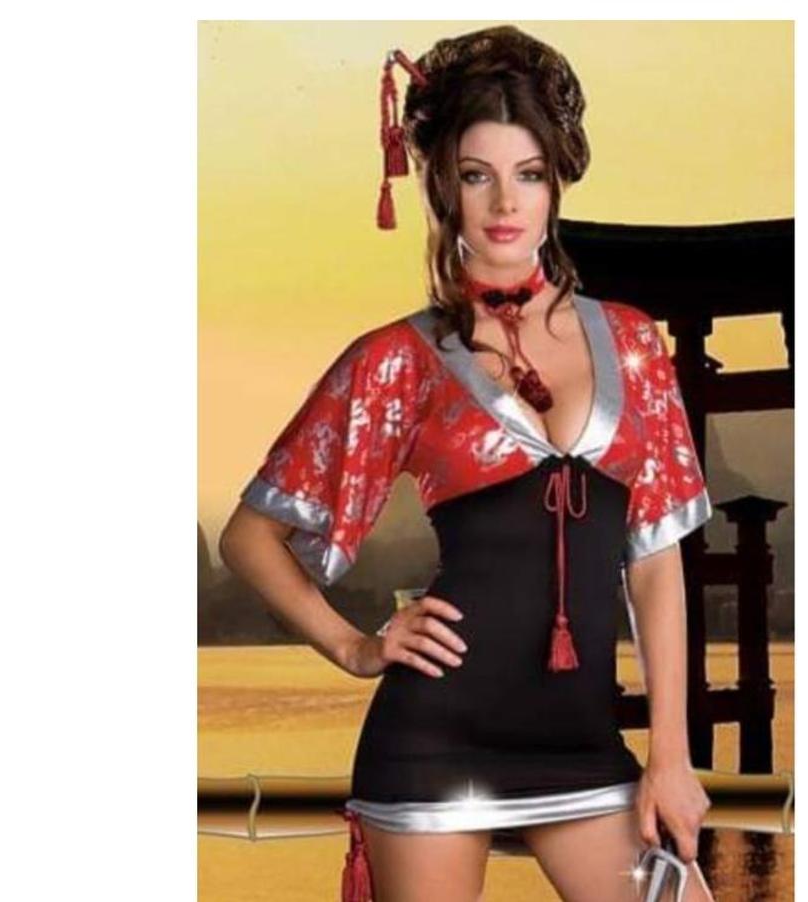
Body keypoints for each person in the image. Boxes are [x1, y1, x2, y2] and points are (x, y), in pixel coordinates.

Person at [219, 25, 716, 902]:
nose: (504, 202)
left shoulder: (633, 345)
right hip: (433, 745)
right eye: (476, 174)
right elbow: (249, 537)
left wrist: (670, 758)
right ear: (443, 187)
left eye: (529, 174)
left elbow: (655, 565)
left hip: (585, 746)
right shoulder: (400, 360)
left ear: (558, 183)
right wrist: (357, 647)